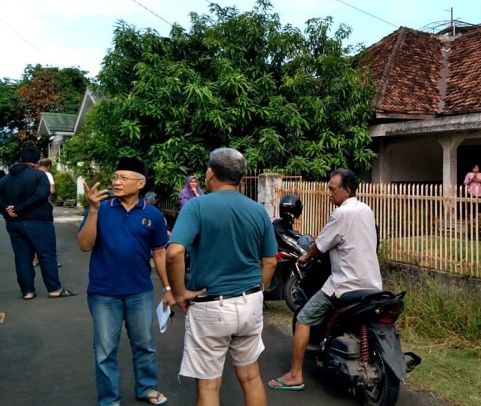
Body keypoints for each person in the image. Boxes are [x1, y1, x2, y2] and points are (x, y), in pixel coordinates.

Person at [166, 148, 277, 406]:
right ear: (240, 177)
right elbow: (269, 261)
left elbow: (174, 253)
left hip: (210, 303)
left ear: (210, 173)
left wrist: (179, 292)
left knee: (208, 386)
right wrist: (260, 289)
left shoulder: (196, 206)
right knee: (251, 377)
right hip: (249, 301)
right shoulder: (258, 210)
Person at [268, 168, 382, 391]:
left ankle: (295, 374)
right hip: (372, 284)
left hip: (345, 284)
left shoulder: (340, 214)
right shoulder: (366, 209)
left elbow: (319, 246)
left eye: (332, 189)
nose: (329, 193)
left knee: (303, 318)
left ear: (346, 190)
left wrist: (305, 257)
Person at [78, 157, 171, 406]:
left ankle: (146, 388)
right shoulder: (101, 208)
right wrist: (94, 211)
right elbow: (85, 245)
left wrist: (168, 287)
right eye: (114, 177)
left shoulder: (152, 215)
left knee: (145, 345)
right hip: (103, 292)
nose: (116, 182)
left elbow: (160, 253)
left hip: (139, 291)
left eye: (123, 178)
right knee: (105, 351)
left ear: (140, 183)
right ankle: (109, 399)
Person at [0, 146, 75, 300]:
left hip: (14, 224)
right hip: (38, 221)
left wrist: (7, 211)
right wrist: (20, 208)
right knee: (46, 255)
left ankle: (27, 291)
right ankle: (54, 289)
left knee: (22, 257)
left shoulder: (5, 179)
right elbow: (41, 195)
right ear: (37, 160)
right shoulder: (40, 176)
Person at [33, 158, 57, 267]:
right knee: (46, 234)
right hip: (43, 207)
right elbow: (52, 190)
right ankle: (47, 259)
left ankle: (34, 259)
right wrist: (53, 197)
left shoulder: (32, 174)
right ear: (49, 166)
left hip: (30, 207)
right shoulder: (47, 174)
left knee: (33, 233)